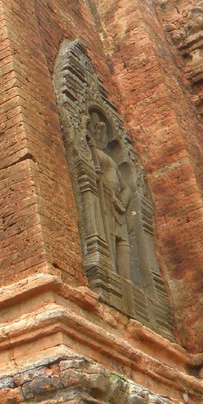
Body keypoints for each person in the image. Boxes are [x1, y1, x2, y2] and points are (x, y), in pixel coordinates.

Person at [86, 111, 133, 281]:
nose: (102, 135)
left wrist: (122, 203)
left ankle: (126, 279)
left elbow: (127, 188)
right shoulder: (96, 154)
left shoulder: (110, 160)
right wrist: (110, 195)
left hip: (117, 204)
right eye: (98, 130)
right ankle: (111, 271)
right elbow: (96, 173)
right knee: (109, 235)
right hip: (105, 198)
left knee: (123, 241)